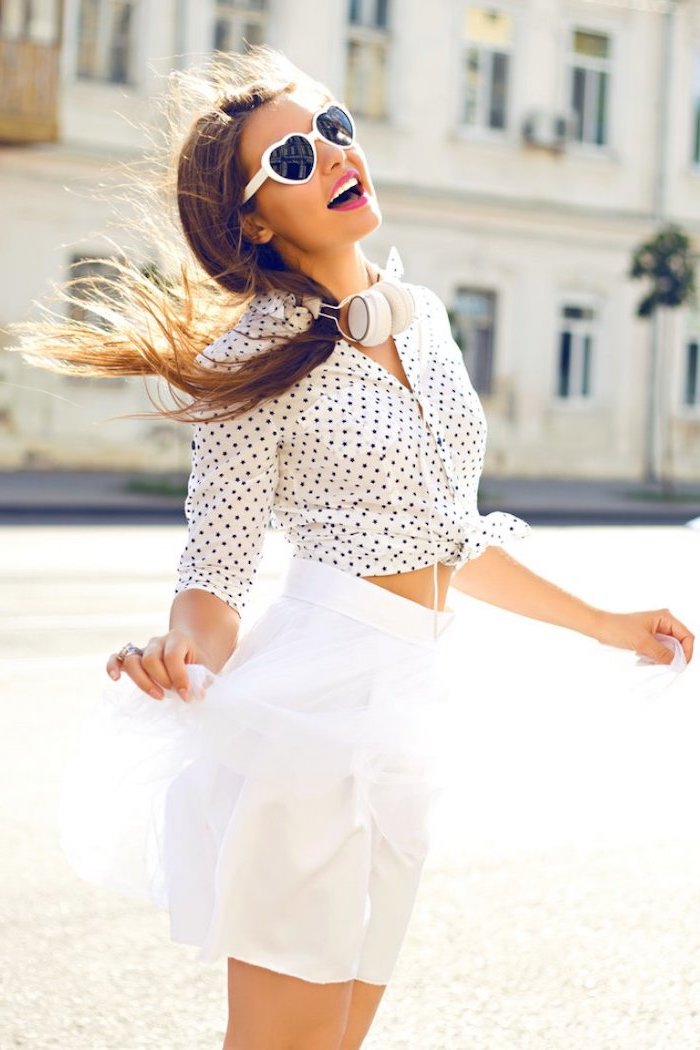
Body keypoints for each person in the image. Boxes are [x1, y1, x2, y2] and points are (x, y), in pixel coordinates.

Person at [8, 45, 694, 1050]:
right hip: (312, 719)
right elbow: (217, 569)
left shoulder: (420, 320)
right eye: (291, 158)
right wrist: (182, 652)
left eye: (331, 129)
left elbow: (448, 533)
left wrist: (603, 624)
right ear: (254, 217)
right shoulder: (250, 361)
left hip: (407, 712)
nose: (332, 155)